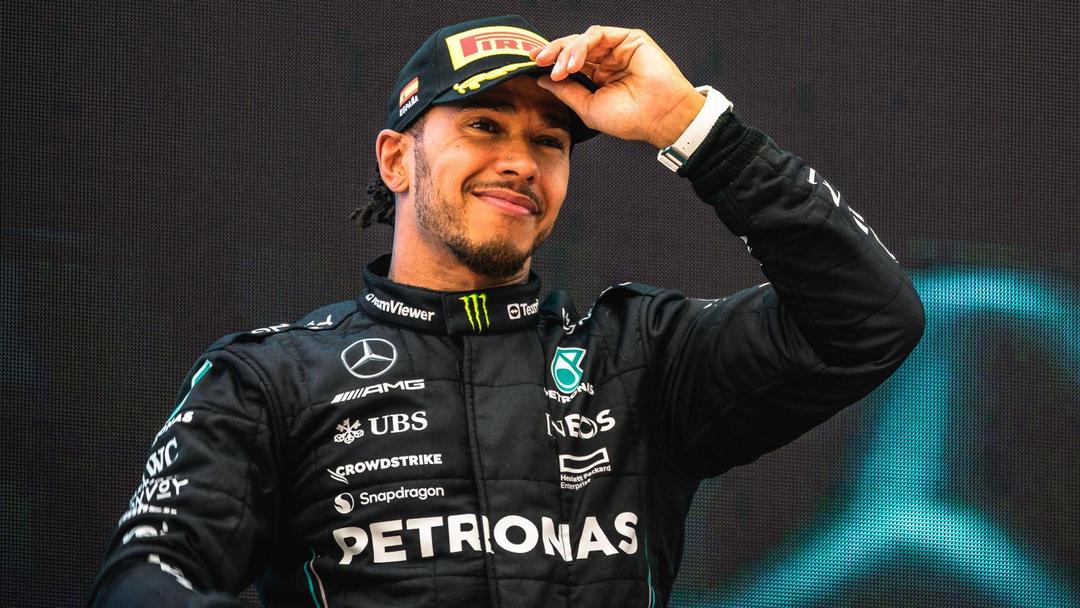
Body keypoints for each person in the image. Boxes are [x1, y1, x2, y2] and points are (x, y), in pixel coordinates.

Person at [90, 15, 924, 607]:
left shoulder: (640, 358)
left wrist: (689, 126)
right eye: (485, 125)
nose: (521, 161)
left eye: (549, 142)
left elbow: (868, 319)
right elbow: (146, 575)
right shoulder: (269, 379)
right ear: (396, 159)